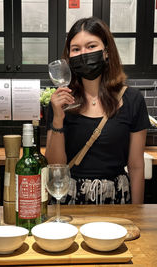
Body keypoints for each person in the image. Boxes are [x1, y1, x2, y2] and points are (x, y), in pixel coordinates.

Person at [45, 17, 150, 205]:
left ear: (106, 52)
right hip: (69, 201)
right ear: (69, 57)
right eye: (76, 49)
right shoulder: (60, 102)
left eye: (91, 46)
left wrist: (137, 214)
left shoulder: (133, 100)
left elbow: (135, 166)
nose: (83, 54)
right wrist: (58, 119)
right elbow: (55, 167)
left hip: (116, 200)